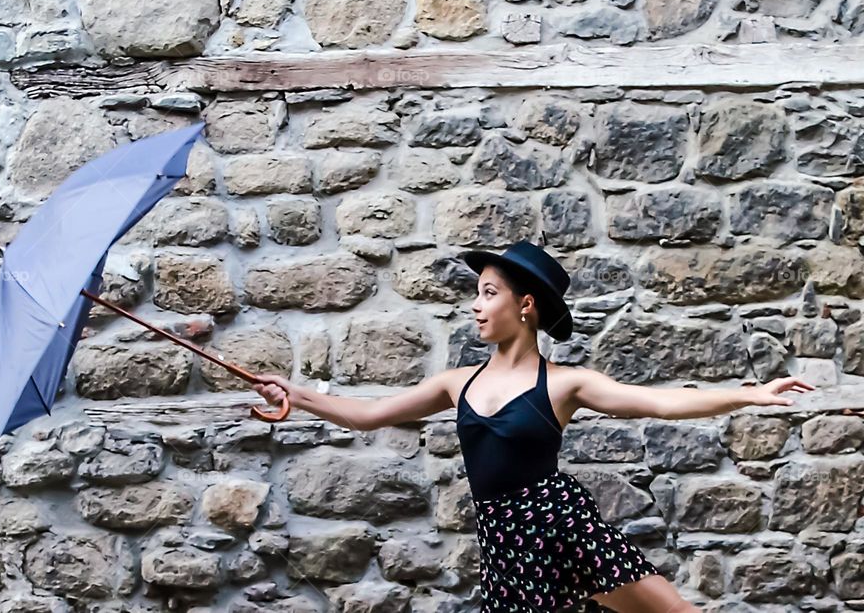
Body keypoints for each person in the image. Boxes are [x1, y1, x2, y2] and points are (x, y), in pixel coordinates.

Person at [251, 239, 814, 612]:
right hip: (506, 541)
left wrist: (751, 395)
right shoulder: (457, 383)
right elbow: (367, 414)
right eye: (477, 294)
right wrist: (293, 394)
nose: (476, 306)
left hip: (562, 524)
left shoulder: (565, 382)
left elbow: (658, 403)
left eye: (488, 293)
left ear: (524, 306)